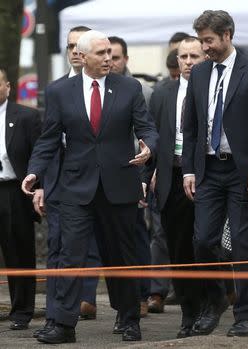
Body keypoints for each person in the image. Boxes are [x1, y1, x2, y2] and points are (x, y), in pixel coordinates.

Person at [22, 30, 159, 344]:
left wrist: (148, 147)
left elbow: (147, 127)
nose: (108, 58)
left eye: (110, 52)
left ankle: (128, 319)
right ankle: (62, 324)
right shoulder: (59, 91)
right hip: (75, 187)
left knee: (121, 256)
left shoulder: (129, 87)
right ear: (82, 57)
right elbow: (49, 138)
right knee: (70, 255)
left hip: (119, 185)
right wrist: (35, 173)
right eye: (101, 53)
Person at [182, 10, 248, 337]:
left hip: (242, 171)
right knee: (204, 241)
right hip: (207, 169)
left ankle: (244, 316)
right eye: (202, 41)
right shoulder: (199, 73)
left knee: (240, 242)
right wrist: (188, 171)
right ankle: (216, 300)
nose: (205, 47)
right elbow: (190, 127)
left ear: (227, 35)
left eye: (209, 40)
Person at [32, 26, 101, 339]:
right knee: (59, 251)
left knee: (94, 251)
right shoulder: (57, 90)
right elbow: (48, 141)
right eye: (70, 45)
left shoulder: (113, 86)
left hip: (102, 185)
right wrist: (42, 183)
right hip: (63, 184)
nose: (74, 51)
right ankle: (55, 317)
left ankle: (92, 304)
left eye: (78, 45)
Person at [108, 35, 169, 317]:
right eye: (105, 54)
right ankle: (123, 300)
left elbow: (152, 135)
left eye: (115, 56)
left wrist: (147, 171)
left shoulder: (140, 91)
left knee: (139, 236)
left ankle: (145, 293)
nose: (109, 60)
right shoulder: (81, 89)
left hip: (135, 173)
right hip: (99, 178)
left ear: (126, 59)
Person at [151, 36, 206, 338]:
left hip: (207, 179)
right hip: (171, 178)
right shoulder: (163, 94)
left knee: (207, 245)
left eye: (194, 56)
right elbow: (154, 136)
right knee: (179, 249)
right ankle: (189, 312)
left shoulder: (213, 92)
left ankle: (214, 300)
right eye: (183, 56)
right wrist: (151, 174)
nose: (187, 62)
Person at [0, 67, 41, 330]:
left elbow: (40, 154)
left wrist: (40, 187)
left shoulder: (25, 117)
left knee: (19, 251)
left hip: (14, 189)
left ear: (7, 86)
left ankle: (22, 310)